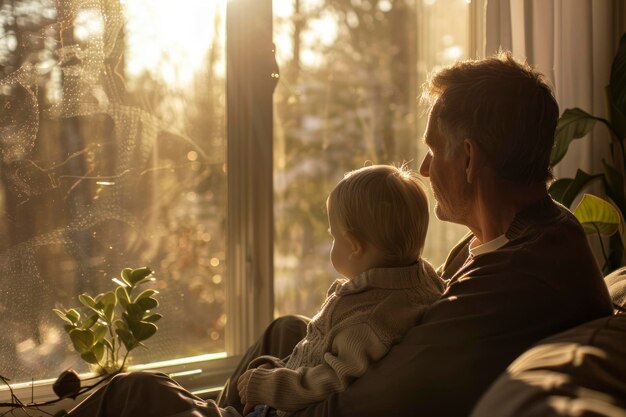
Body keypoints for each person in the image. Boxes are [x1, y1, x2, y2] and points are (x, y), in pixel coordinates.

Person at [68, 52, 613, 417]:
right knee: (287, 331)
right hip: (325, 391)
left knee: (134, 391)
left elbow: (369, 401)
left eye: (433, 150)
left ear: (468, 159)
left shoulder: (517, 282)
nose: (424, 171)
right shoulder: (529, 236)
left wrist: (272, 391)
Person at [237, 165, 444, 417]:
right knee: (281, 331)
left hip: (288, 408)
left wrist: (269, 386)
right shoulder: (424, 280)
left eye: (334, 237)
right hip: (288, 382)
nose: (331, 243)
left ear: (355, 246)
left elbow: (331, 379)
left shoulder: (367, 320)